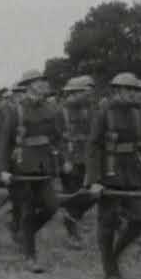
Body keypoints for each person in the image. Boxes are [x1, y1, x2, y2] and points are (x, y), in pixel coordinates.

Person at [84, 72, 141, 279]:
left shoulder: (138, 114)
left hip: (133, 174)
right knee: (108, 221)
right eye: (128, 90)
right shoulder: (104, 113)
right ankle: (109, 268)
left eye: (134, 90)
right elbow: (93, 146)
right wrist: (94, 180)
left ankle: (114, 255)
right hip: (109, 173)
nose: (132, 94)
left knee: (140, 220)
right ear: (118, 90)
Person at [0, 70, 60, 273]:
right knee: (27, 210)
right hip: (21, 166)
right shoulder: (16, 111)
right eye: (39, 81)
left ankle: (25, 234)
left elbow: (56, 136)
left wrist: (57, 159)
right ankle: (30, 256)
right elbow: (4, 143)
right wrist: (3, 170)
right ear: (30, 85)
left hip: (43, 166)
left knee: (52, 206)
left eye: (43, 80)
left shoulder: (50, 109)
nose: (43, 84)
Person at [56, 76, 96, 250]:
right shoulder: (60, 112)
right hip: (69, 159)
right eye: (85, 91)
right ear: (74, 93)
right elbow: (56, 139)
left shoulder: (89, 110)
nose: (89, 94)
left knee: (90, 194)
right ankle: (72, 234)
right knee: (72, 195)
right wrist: (65, 159)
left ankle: (73, 216)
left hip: (86, 158)